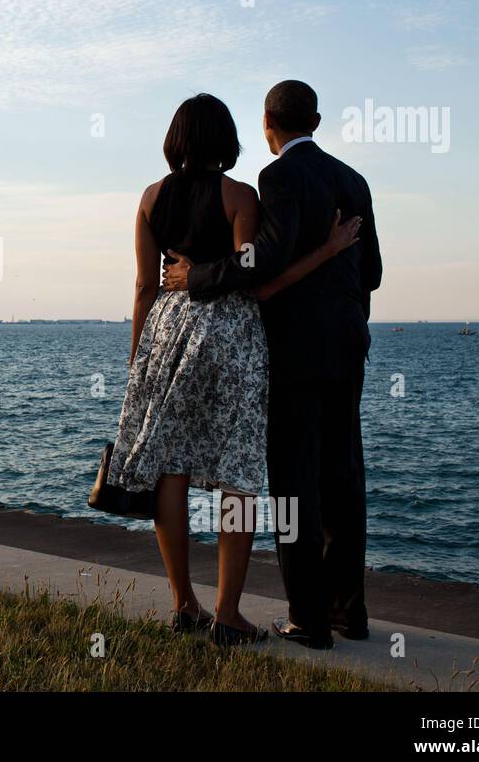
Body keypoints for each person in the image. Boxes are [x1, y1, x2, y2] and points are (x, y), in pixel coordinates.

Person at [106, 92, 361, 647]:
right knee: (237, 471)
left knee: (168, 466)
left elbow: (144, 287)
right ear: (228, 139)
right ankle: (228, 612)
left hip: (166, 331)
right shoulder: (240, 195)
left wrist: (137, 359)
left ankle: (183, 604)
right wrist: (325, 251)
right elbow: (254, 275)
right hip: (230, 335)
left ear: (174, 139)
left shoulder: (149, 199)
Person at [164, 80, 382, 650]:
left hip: (294, 352)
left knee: (293, 486)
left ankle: (309, 620)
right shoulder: (354, 180)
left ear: (269, 124)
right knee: (343, 479)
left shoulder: (278, 177)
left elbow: (263, 260)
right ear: (316, 119)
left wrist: (199, 277)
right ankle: (348, 615)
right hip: (348, 346)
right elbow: (374, 271)